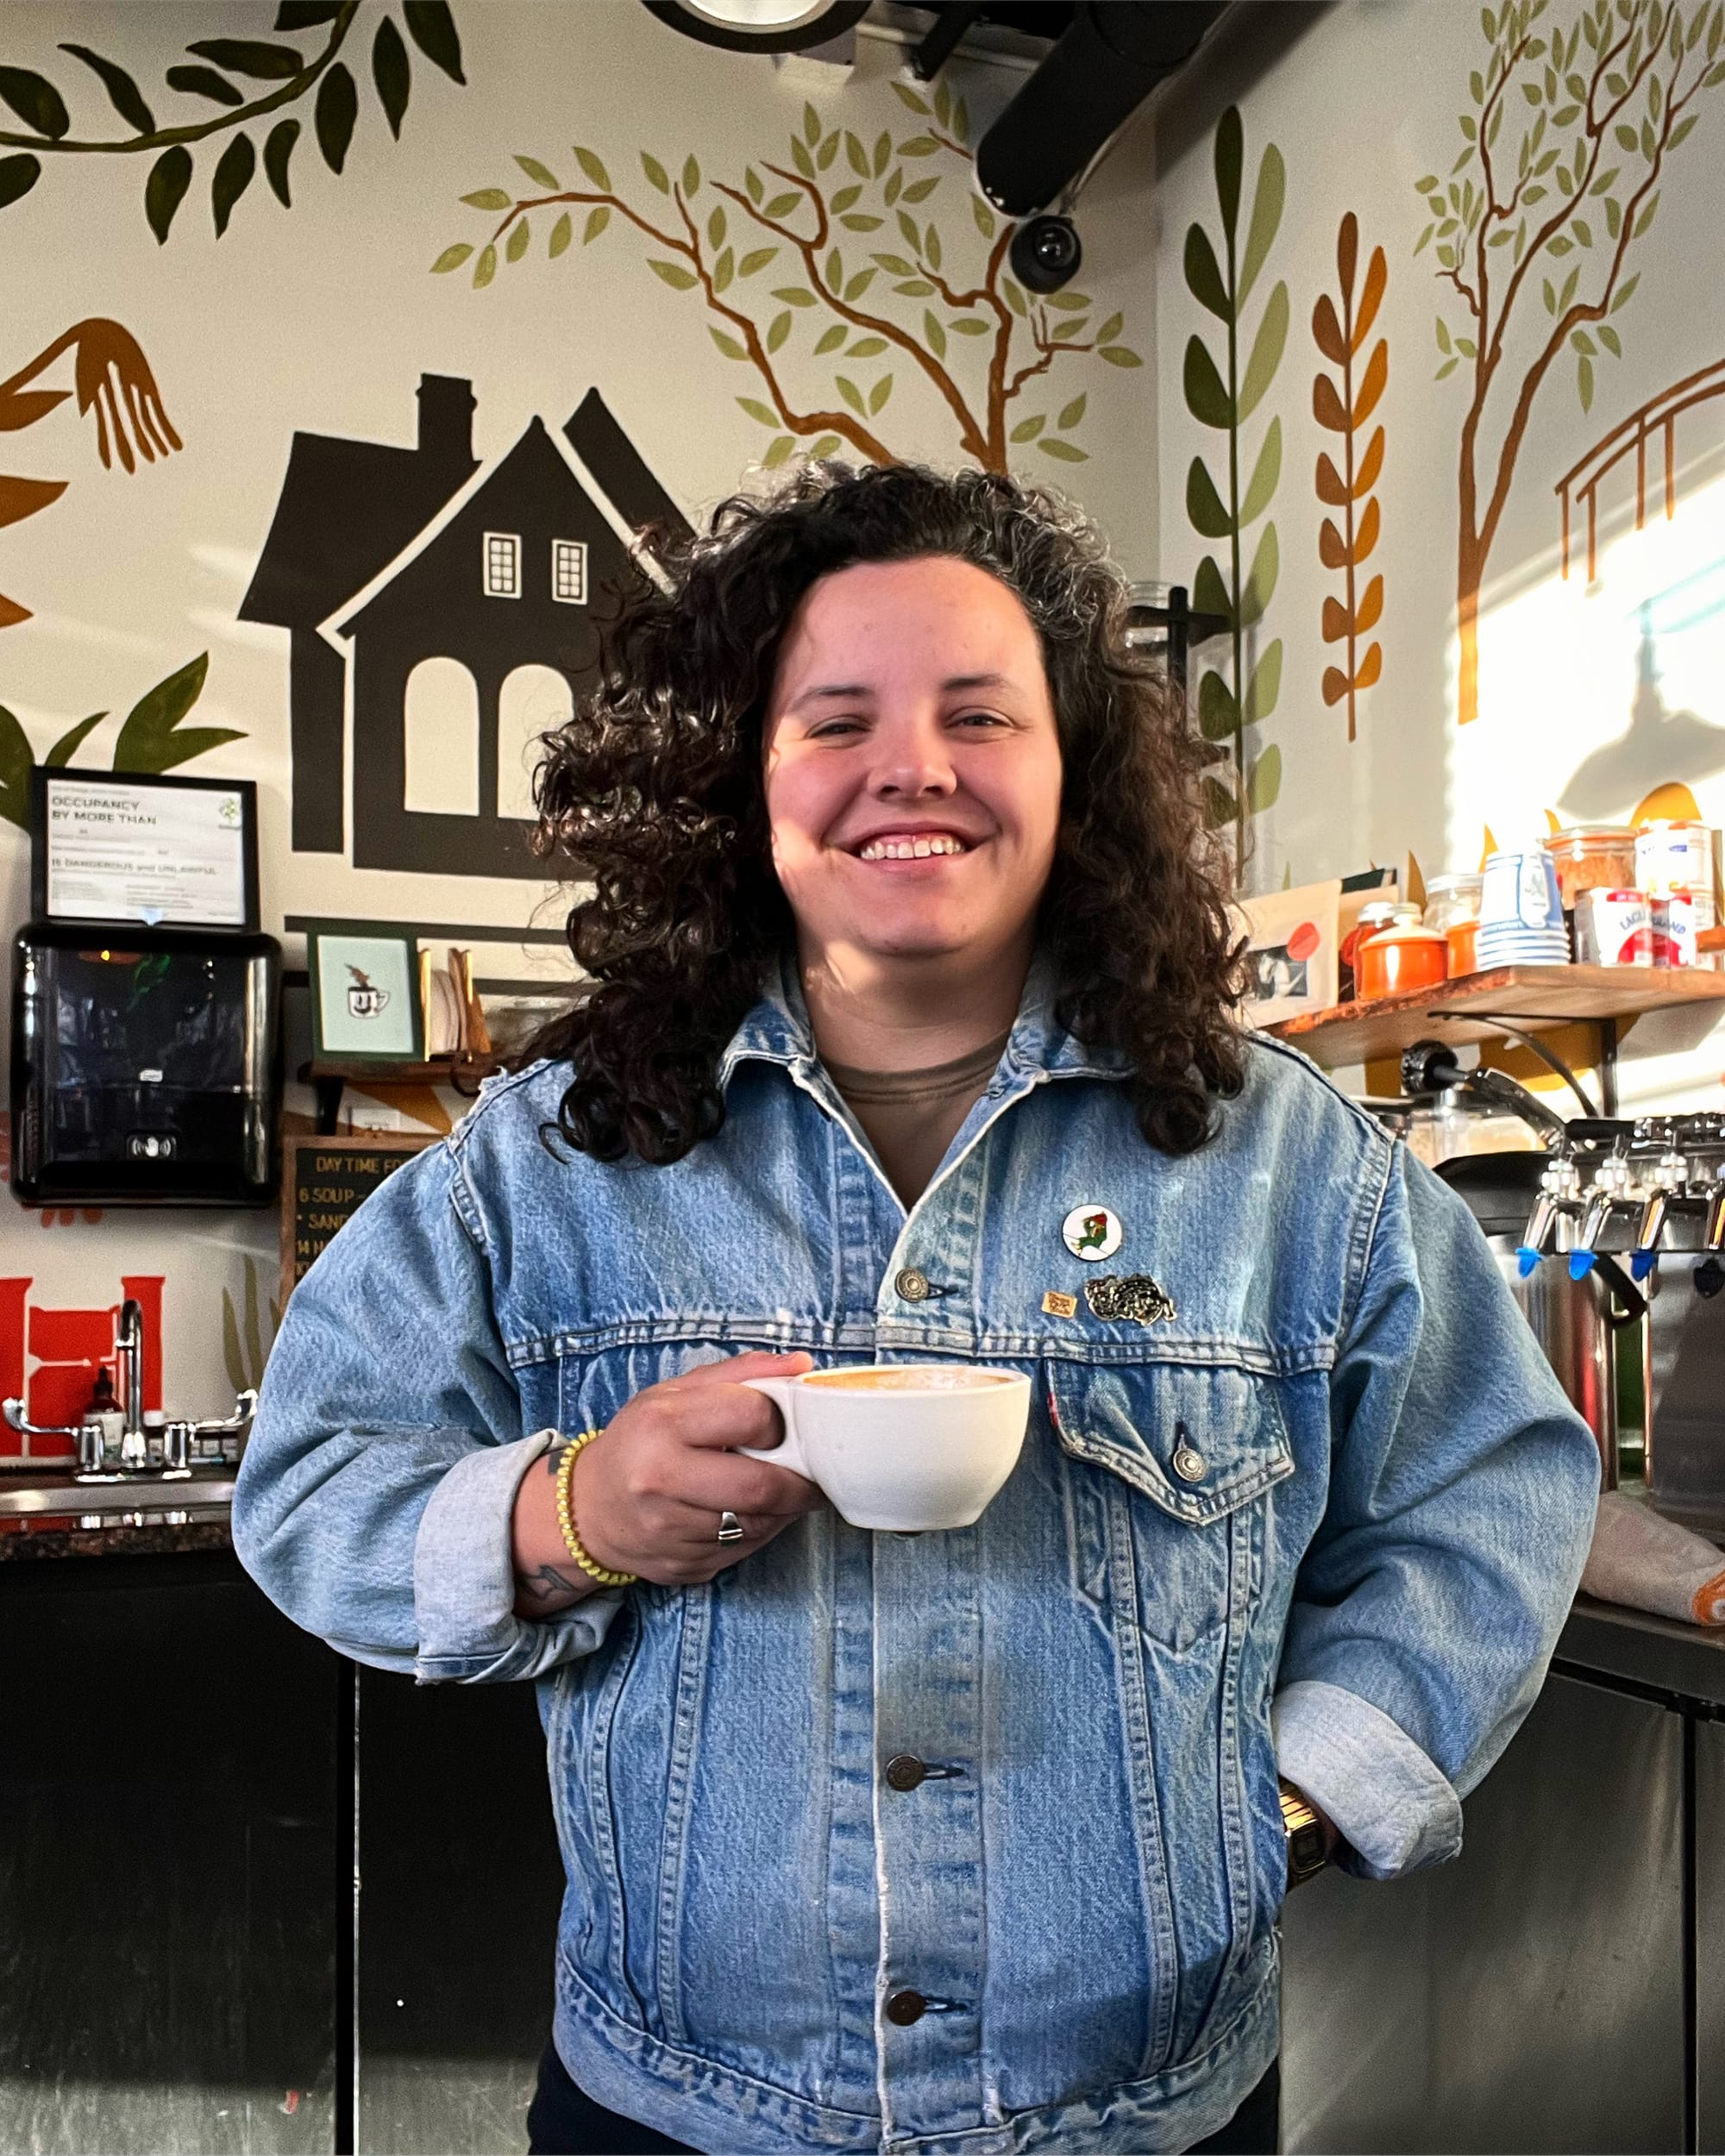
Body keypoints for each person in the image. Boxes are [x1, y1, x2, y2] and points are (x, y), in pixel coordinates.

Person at [234, 461, 1600, 2156]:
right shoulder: (550, 1156)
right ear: (741, 776)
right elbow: (309, 1480)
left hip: (1146, 2111)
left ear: (1070, 766)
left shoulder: (1288, 1165)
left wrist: (1305, 1793)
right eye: (836, 720)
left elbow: (1490, 1485)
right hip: (674, 2106)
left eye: (980, 713)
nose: (914, 766)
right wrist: (567, 1513)